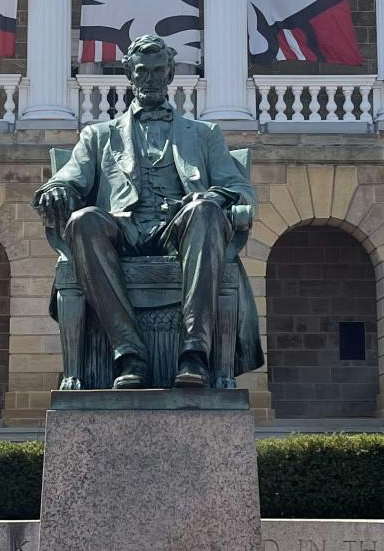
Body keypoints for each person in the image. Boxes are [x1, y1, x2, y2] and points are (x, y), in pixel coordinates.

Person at [34, 33, 256, 387]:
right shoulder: (99, 135)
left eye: (157, 71)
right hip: (123, 231)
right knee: (83, 220)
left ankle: (195, 355)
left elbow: (240, 189)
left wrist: (212, 199)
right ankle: (129, 353)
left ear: (170, 74)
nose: (149, 78)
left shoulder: (204, 134)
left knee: (205, 211)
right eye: (142, 71)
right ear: (130, 75)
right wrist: (55, 190)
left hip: (180, 231)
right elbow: (68, 179)